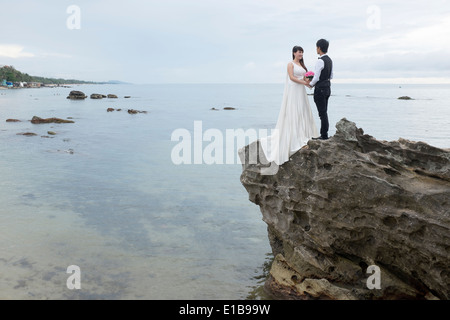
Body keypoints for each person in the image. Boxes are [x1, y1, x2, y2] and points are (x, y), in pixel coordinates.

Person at [259, 46, 319, 166]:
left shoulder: (302, 65)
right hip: (293, 90)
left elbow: (303, 77)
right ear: (294, 53)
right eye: (299, 52)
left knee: (302, 111)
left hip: (300, 90)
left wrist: (308, 83)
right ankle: (295, 137)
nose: (301, 54)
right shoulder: (290, 64)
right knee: (294, 111)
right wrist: (304, 82)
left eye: (302, 52)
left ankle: (303, 134)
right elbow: (291, 77)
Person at [308, 39, 333, 140]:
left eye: (316, 47)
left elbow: (316, 77)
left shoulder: (320, 61)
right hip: (327, 88)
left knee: (322, 114)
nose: (316, 49)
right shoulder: (330, 60)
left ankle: (324, 135)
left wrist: (310, 84)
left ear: (319, 47)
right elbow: (331, 76)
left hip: (320, 89)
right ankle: (324, 134)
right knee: (324, 112)